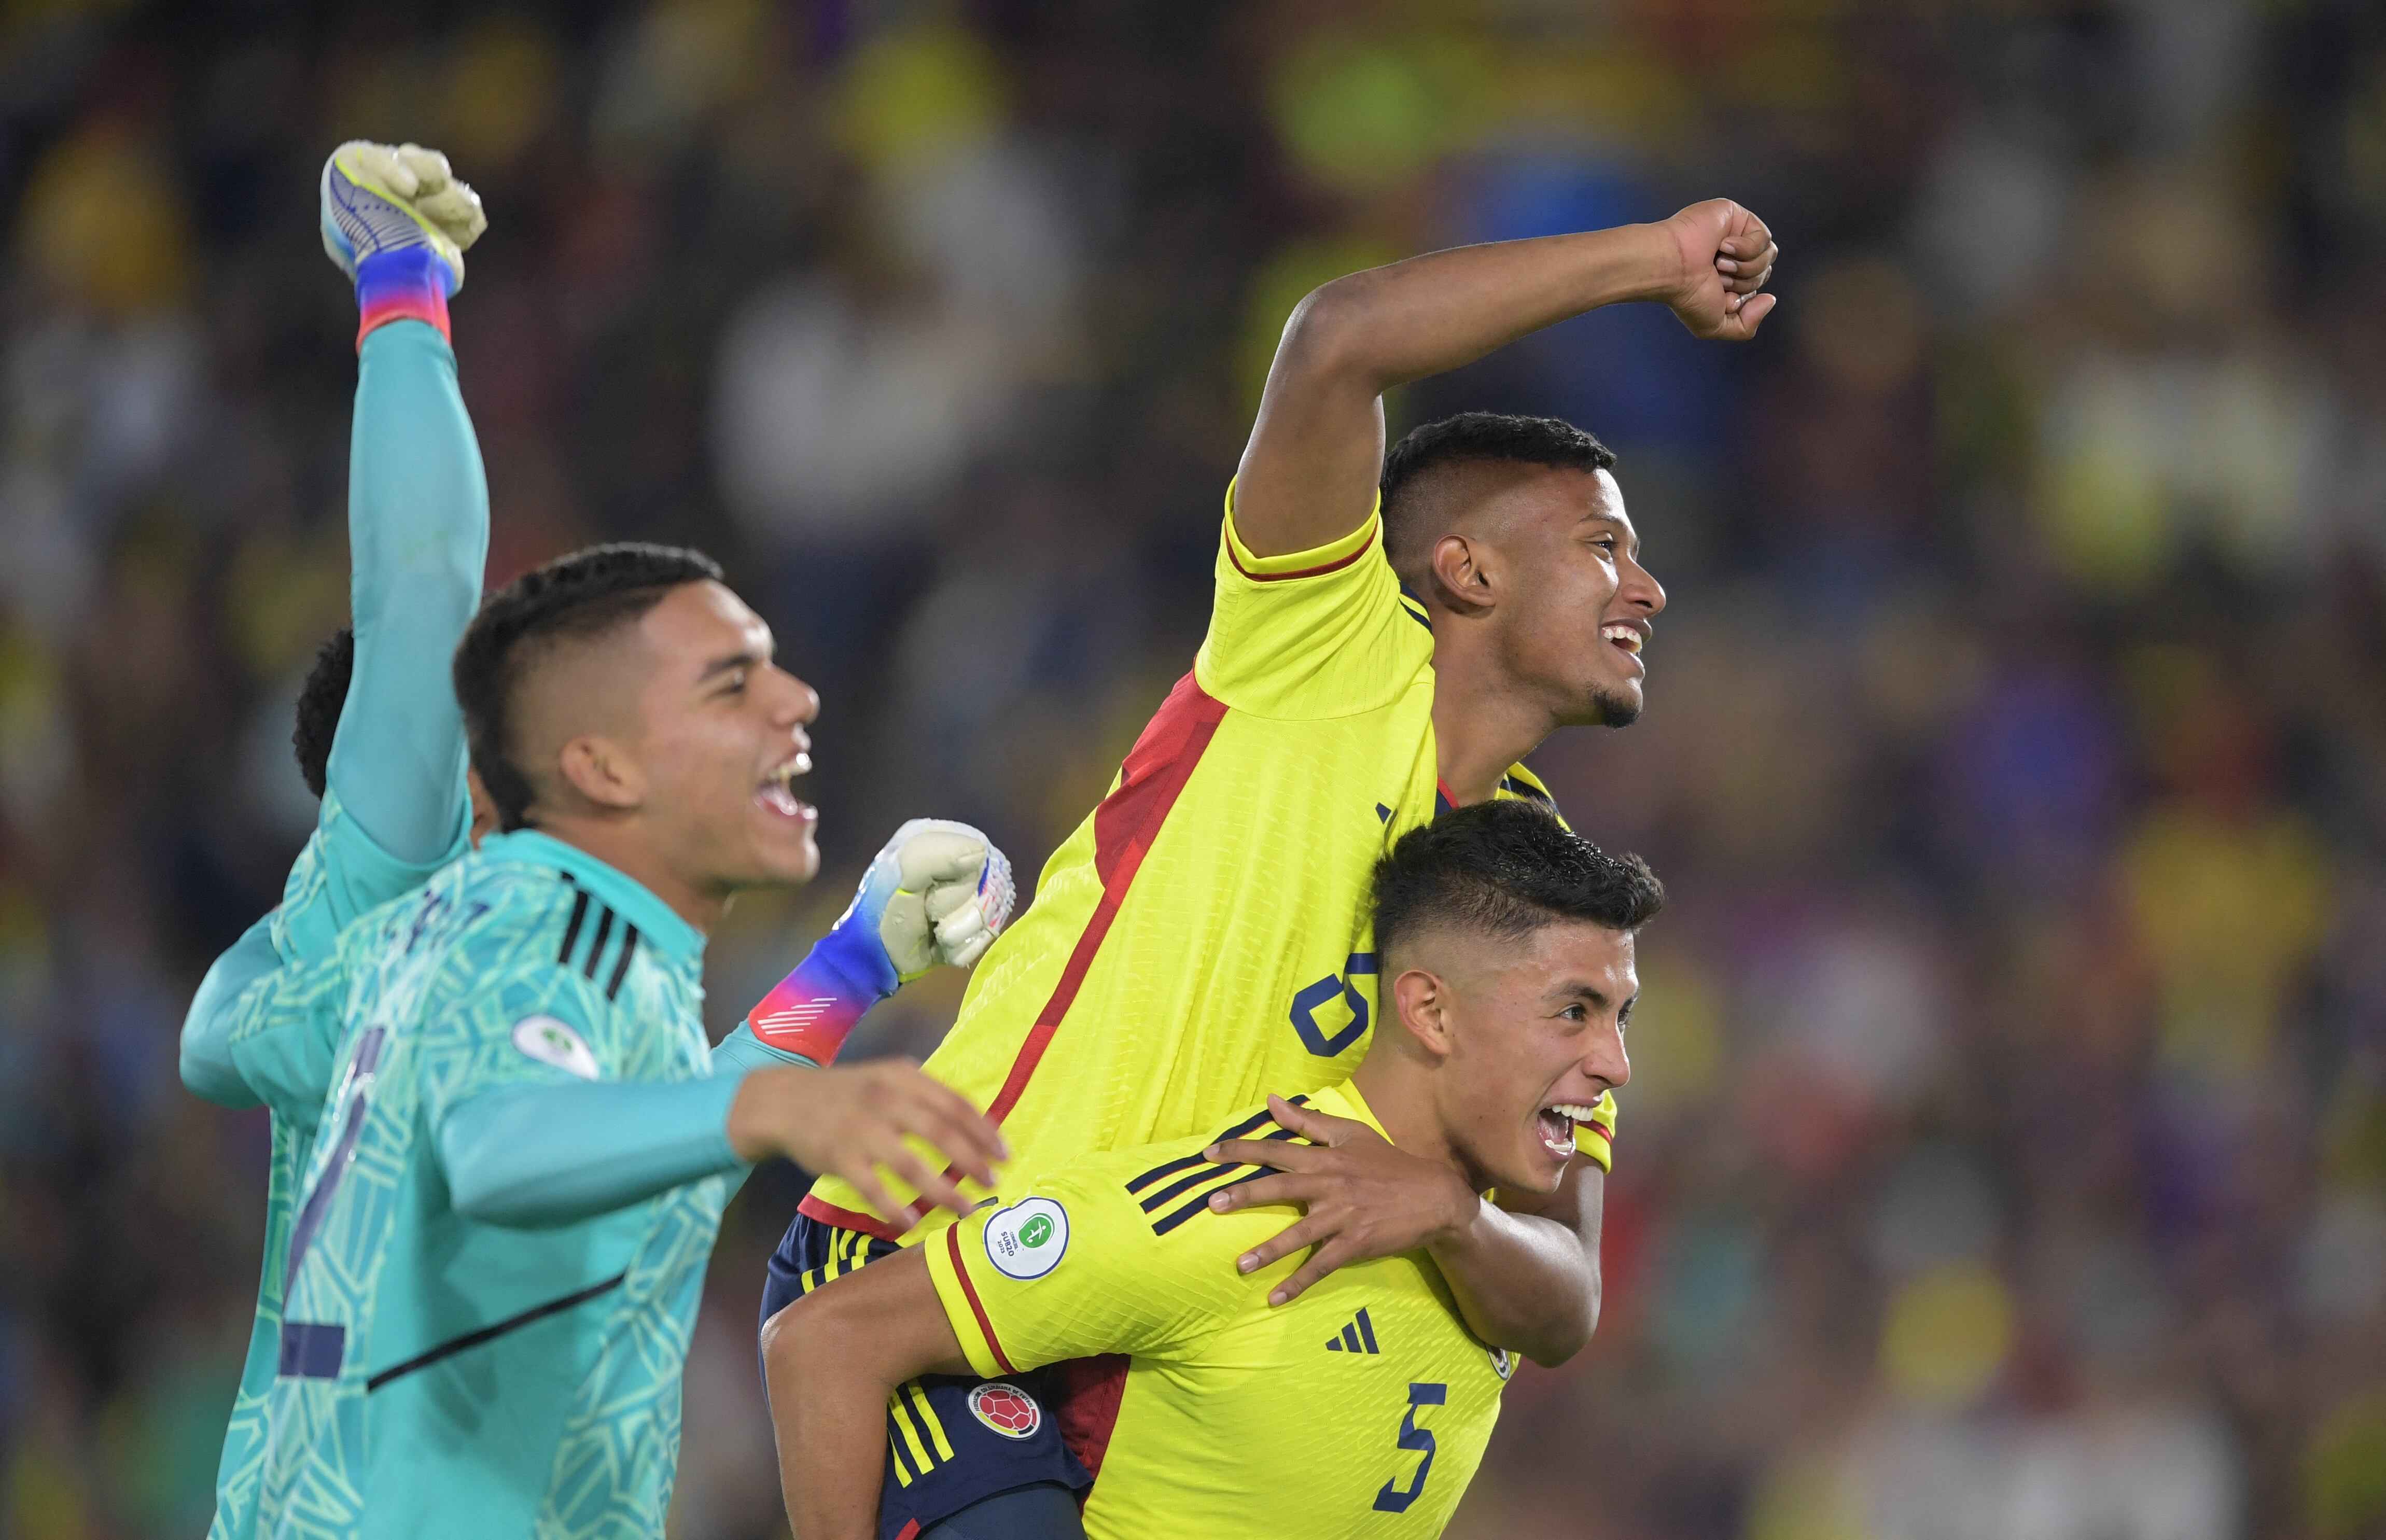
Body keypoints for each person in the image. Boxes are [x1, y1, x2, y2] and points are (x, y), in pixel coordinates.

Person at [760, 202, 1777, 1536]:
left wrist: (1449, 1217)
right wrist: (1648, 262)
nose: (1647, 590)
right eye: (1603, 547)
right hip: (937, 1252)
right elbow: (1338, 338)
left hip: (1144, 1343)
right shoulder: (1317, 647)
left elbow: (1570, 1295)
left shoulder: (1525, 906)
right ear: (1464, 571)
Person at [181, 144, 1013, 1539]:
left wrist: (860, 959)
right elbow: (422, 585)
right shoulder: (411, 881)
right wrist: (400, 287)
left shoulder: (561, 944)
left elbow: (650, 1125)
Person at [763, 801, 1661, 1539]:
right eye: (1572, 1012)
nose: (1613, 1063)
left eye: (1618, 1016)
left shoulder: (1493, 1215)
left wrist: (1454, 1215)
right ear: (1429, 1010)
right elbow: (824, 1340)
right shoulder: (1240, 1200)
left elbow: (1562, 1313)